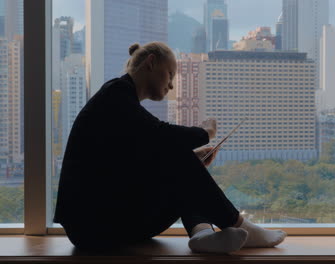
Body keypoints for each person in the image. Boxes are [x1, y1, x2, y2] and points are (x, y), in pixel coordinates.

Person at [54, 41, 286, 253]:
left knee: (180, 157)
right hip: (94, 228)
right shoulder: (116, 94)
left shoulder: (120, 99)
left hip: (102, 221)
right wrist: (206, 133)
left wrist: (191, 159)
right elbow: (161, 134)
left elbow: (138, 164)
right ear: (151, 62)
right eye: (170, 74)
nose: (171, 85)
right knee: (177, 152)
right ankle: (237, 223)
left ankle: (202, 233)